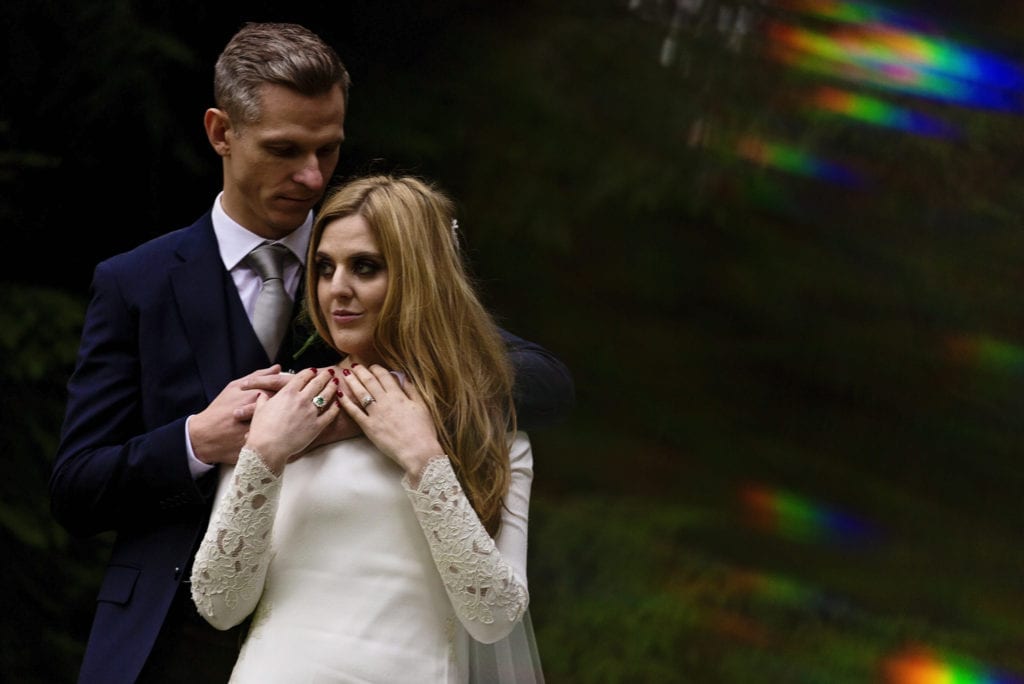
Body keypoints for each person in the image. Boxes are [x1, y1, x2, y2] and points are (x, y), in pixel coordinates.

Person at [49, 22, 573, 684]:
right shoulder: (137, 283)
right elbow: (77, 487)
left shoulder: (367, 264)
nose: (311, 176)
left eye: (328, 151)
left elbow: (543, 382)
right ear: (221, 133)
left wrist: (396, 398)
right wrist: (197, 440)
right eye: (285, 150)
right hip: (161, 634)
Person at [191, 174, 543, 683]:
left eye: (366, 267)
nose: (338, 289)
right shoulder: (285, 411)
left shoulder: (492, 435)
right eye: (325, 267)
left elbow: (494, 619)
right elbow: (220, 604)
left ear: (419, 277)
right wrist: (265, 453)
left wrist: (424, 458)